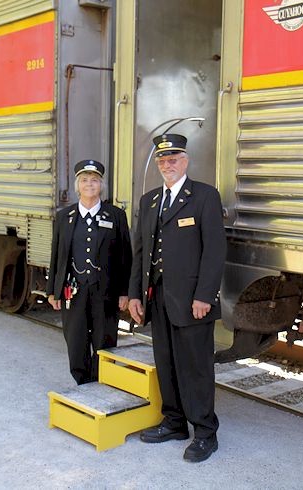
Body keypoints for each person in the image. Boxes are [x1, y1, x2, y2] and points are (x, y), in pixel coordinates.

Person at [128, 133, 226, 463]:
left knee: (196, 369)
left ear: (185, 161)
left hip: (192, 303)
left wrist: (205, 296)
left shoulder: (204, 197)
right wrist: (134, 296)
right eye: (162, 160)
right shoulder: (150, 200)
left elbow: (214, 251)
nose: (167, 165)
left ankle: (205, 432)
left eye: (174, 159)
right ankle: (173, 422)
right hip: (158, 299)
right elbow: (140, 253)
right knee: (167, 364)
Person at [47, 160, 132, 385]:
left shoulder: (115, 215)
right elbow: (56, 255)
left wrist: (125, 292)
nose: (89, 184)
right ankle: (82, 384)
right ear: (78, 185)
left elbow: (125, 257)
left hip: (106, 292)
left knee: (104, 340)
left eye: (94, 180)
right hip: (73, 291)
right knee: (76, 340)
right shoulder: (65, 216)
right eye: (84, 180)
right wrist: (52, 291)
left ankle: (101, 383)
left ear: (101, 185)